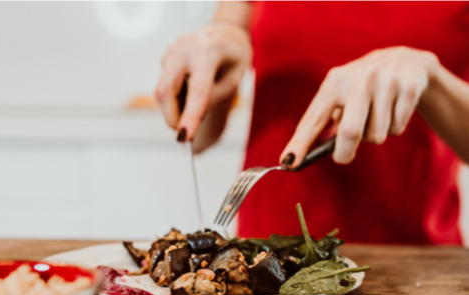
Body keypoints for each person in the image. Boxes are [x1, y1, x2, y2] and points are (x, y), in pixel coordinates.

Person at [156, 1, 469, 244]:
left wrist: (431, 77)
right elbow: (202, 137)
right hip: (266, 264)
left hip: (416, 264)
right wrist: (217, 49)